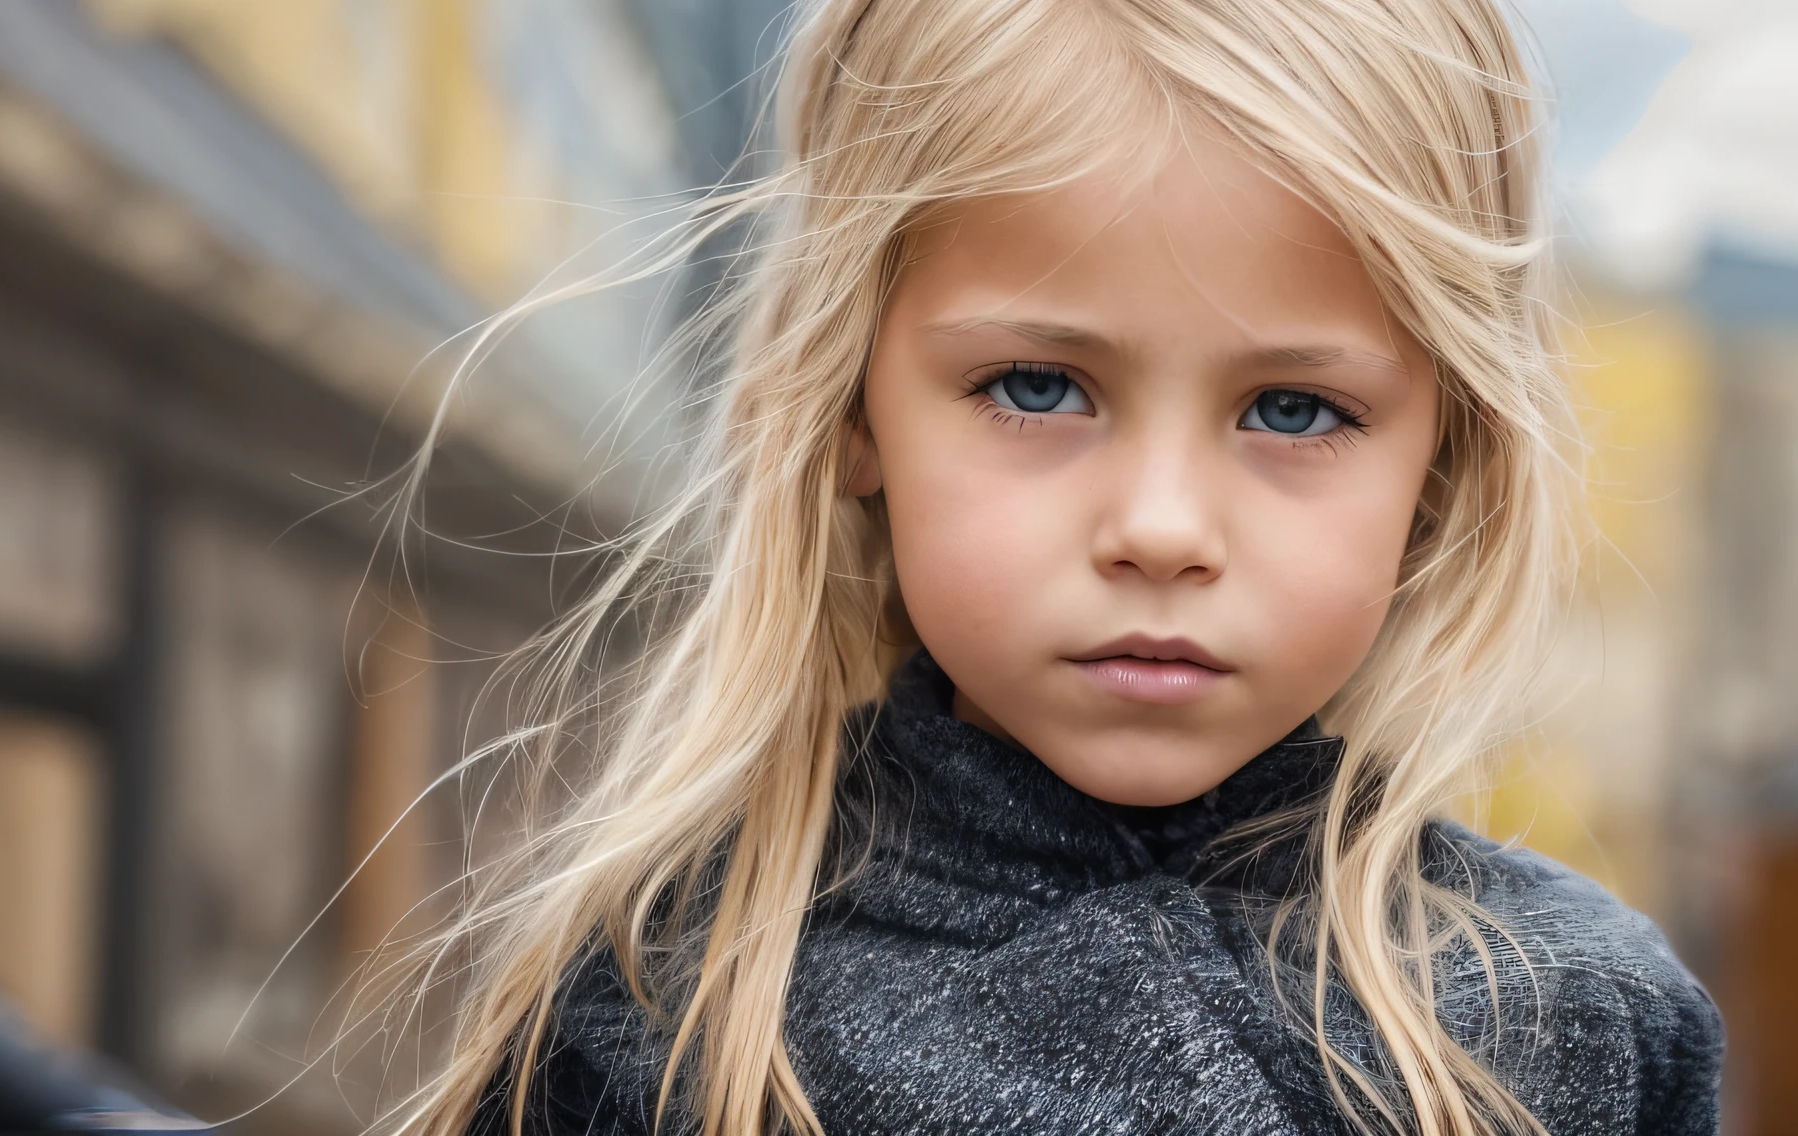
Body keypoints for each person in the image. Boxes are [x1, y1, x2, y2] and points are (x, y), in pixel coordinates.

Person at [389, 0, 1725, 1132]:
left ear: (1442, 462)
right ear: (855, 404)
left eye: (1295, 411)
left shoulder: (1579, 1026)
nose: (1159, 527)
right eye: (1037, 386)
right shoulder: (663, 1011)